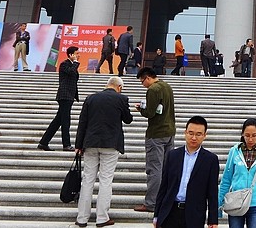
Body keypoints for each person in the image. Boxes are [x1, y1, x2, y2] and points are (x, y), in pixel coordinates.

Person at [75, 76, 133, 228]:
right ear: (119, 87)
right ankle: (102, 218)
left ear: (107, 85)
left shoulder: (91, 98)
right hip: (111, 144)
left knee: (87, 180)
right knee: (106, 180)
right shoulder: (121, 99)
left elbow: (82, 122)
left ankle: (82, 218)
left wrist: (78, 145)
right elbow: (128, 119)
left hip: (90, 143)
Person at [154, 116, 219, 228]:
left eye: (198, 134)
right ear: (185, 133)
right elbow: (163, 187)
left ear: (204, 135)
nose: (193, 137)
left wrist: (213, 220)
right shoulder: (172, 155)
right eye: (190, 133)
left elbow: (212, 192)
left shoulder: (210, 160)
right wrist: (156, 215)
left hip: (194, 215)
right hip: (170, 212)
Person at [218, 118, 256, 228]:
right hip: (236, 202)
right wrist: (219, 202)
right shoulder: (234, 151)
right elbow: (226, 179)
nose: (250, 139)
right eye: (247, 135)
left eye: (254, 135)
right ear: (242, 134)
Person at [134, 67, 176, 213]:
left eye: (142, 81)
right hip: (169, 131)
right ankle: (165, 199)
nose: (143, 85)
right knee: (165, 168)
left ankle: (151, 203)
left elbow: (150, 113)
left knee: (154, 169)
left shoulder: (153, 90)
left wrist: (141, 109)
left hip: (156, 133)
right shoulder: (167, 86)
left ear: (147, 78)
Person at [38, 46, 80, 151]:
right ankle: (66, 145)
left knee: (58, 121)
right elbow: (70, 72)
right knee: (66, 121)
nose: (78, 55)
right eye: (77, 53)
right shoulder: (64, 64)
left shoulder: (71, 65)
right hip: (64, 95)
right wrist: (75, 63)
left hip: (69, 95)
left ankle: (43, 142)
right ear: (71, 54)